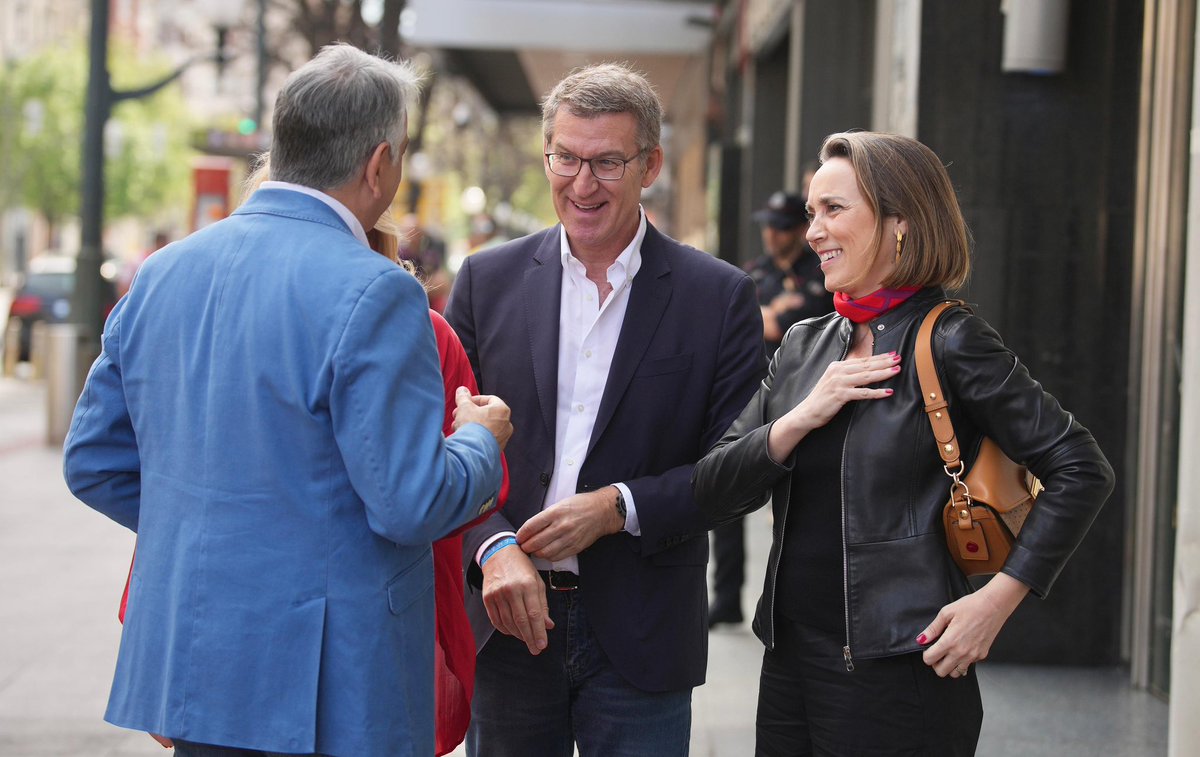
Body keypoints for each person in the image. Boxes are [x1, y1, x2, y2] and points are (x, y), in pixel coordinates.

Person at [63, 44, 512, 757]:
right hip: (330, 683)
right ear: (379, 164)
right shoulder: (378, 290)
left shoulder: (162, 273)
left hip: (198, 657)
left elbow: (92, 462)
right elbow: (409, 503)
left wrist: (216, 531)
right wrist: (481, 439)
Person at [692, 131, 1115, 755]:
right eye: (812, 213)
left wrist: (996, 602)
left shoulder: (951, 340)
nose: (813, 232)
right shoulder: (806, 345)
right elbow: (712, 487)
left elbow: (1081, 467)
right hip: (788, 662)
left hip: (901, 668)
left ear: (901, 224)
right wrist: (801, 417)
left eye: (834, 210)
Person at [444, 63, 766, 756]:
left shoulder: (719, 298)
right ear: (547, 155)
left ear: (650, 165)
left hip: (643, 629)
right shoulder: (485, 281)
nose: (582, 183)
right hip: (507, 615)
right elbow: (439, 439)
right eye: (567, 157)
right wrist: (491, 544)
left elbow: (736, 472)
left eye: (607, 162)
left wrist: (619, 505)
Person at [709, 189, 834, 628]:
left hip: (808, 400)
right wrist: (771, 314)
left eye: (781, 227)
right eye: (768, 225)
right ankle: (726, 598)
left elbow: (804, 326)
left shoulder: (821, 271)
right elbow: (740, 323)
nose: (772, 235)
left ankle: (792, 606)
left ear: (800, 231)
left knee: (797, 505)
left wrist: (772, 316)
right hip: (754, 394)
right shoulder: (754, 274)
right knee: (728, 490)